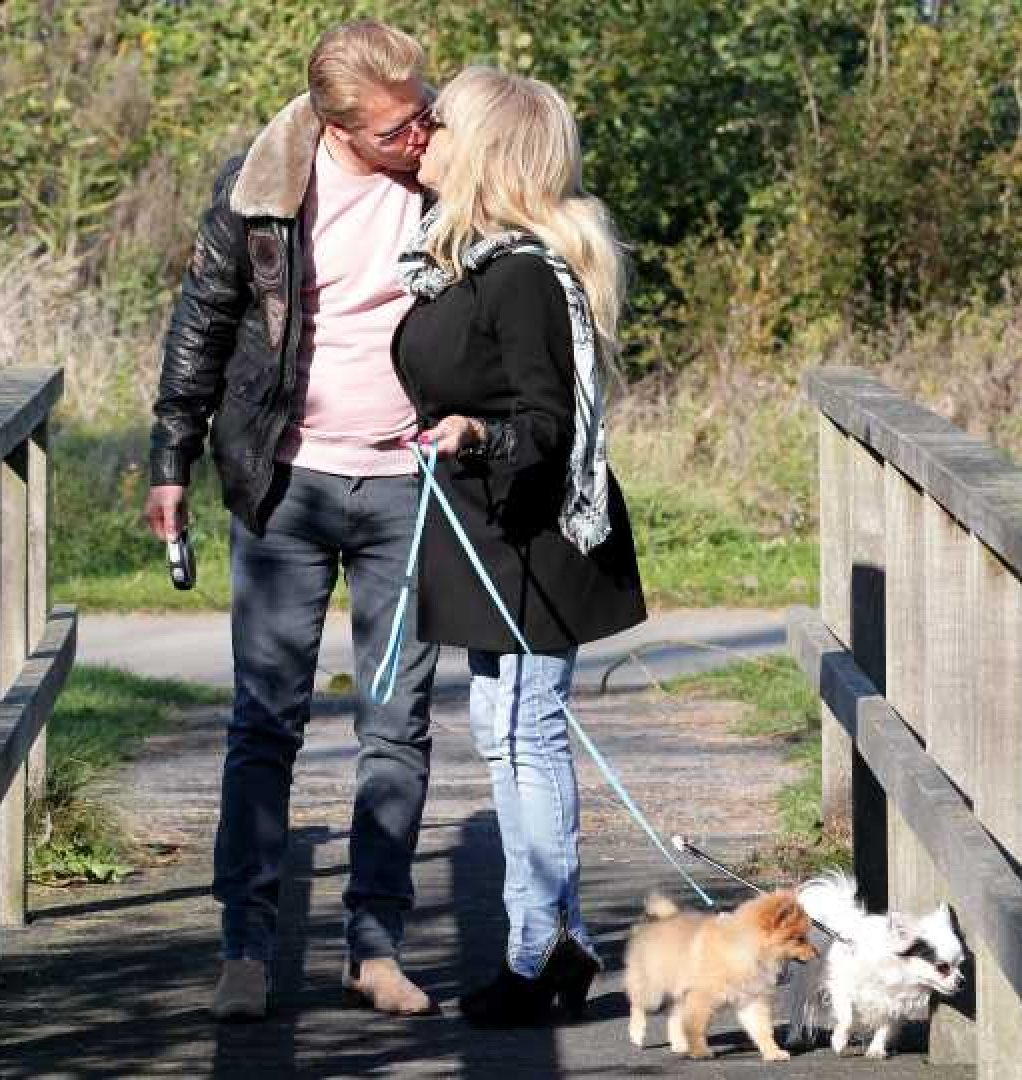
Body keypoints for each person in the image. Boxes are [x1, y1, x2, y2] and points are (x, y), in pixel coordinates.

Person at [143, 20, 445, 1022]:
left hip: (409, 489)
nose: (422, 133)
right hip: (284, 486)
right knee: (264, 720)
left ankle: (376, 946)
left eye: (426, 110)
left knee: (396, 727)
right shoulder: (264, 189)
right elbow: (205, 320)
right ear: (338, 125)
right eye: (401, 125)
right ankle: (247, 944)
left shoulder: (453, 176)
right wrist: (170, 459)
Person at [391, 66, 647, 1027]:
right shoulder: (468, 263)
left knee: (522, 737)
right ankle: (555, 941)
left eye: (441, 123)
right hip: (487, 534)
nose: (425, 137)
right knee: (504, 736)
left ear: (485, 150)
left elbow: (545, 425)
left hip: (535, 537)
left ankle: (539, 951)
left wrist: (472, 434)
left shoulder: (526, 276)